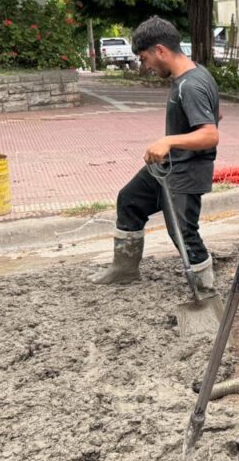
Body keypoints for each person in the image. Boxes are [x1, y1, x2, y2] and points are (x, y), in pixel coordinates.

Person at [89, 17, 221, 290]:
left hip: (186, 171)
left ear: (160, 50)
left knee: (182, 231)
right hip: (168, 166)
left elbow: (210, 133)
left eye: (145, 58)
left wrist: (169, 141)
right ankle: (124, 269)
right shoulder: (194, 75)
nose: (145, 66)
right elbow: (215, 114)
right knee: (130, 199)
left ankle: (205, 288)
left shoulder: (191, 85)